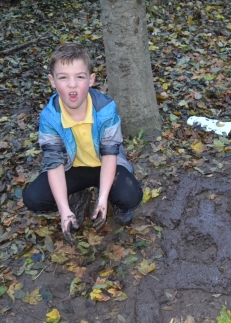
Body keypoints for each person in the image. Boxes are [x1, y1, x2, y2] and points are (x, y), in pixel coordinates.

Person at [23, 43, 143, 245]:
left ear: (91, 80)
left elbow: (109, 154)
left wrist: (103, 198)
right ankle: (75, 198)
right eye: (63, 77)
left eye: (79, 77)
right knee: (34, 199)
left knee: (131, 196)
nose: (72, 85)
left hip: (104, 165)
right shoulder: (50, 117)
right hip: (72, 169)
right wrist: (63, 211)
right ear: (52, 81)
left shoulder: (106, 109)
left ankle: (111, 201)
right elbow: (54, 163)